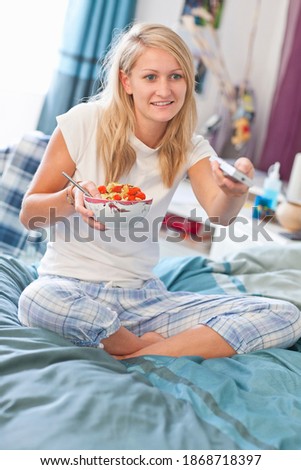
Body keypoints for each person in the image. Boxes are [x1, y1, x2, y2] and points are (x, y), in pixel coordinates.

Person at [18, 23, 301, 360]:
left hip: (144, 300)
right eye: (150, 77)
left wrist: (234, 191)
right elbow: (29, 215)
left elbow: (218, 214)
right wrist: (69, 198)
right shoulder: (83, 122)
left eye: (176, 76)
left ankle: (134, 351)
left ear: (188, 81)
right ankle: (142, 349)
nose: (164, 90)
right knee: (35, 299)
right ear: (127, 82)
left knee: (285, 315)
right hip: (68, 287)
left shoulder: (191, 147)